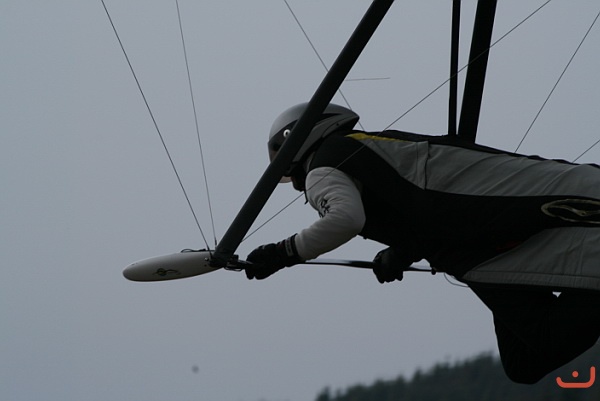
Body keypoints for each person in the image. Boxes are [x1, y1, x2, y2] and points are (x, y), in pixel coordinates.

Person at [245, 103, 600, 384]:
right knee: (522, 363)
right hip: (482, 246)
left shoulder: (323, 163)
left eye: (291, 172)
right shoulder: (367, 148)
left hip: (485, 239)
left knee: (542, 344)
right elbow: (417, 200)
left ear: (297, 146)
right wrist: (402, 251)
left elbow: (345, 219)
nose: (296, 184)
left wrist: (282, 253)